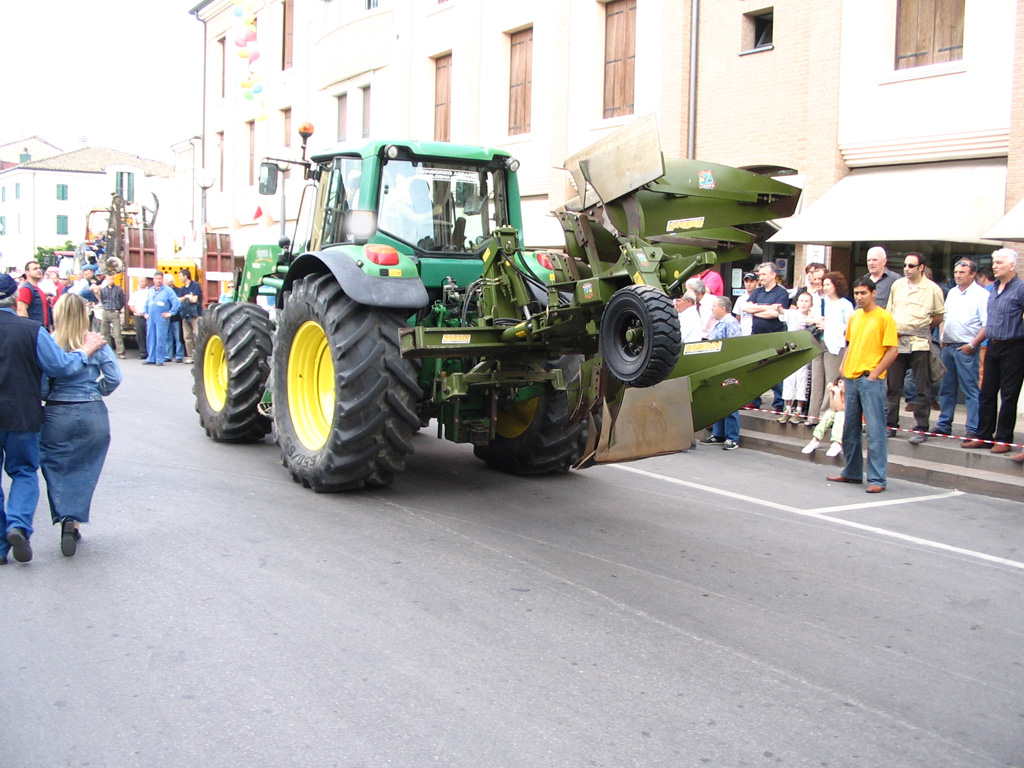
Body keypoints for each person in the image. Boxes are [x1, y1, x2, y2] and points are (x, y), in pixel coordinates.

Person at [0, 274, 106, 564]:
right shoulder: (31, 330)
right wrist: (84, 352)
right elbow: (58, 366)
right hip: (23, 414)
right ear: (15, 300)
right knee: (23, 471)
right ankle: (18, 526)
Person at [39, 294, 122, 556]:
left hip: (57, 413)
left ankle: (65, 516)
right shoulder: (95, 342)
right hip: (92, 411)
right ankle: (74, 520)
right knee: (87, 466)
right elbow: (114, 377)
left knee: (55, 465)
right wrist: (95, 391)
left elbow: (41, 387)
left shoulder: (50, 343)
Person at [827, 276, 898, 494]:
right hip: (851, 376)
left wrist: (875, 374)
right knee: (850, 428)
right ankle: (852, 471)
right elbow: (851, 343)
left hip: (870, 379)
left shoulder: (884, 317)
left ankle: (877, 478)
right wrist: (843, 367)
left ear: (873, 293)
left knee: (875, 430)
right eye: (856, 293)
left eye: (863, 293)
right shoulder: (855, 316)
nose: (859, 297)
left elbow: (892, 350)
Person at [962, 249, 1024, 460]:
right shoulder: (993, 289)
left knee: (1008, 396)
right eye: (994, 262)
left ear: (1012, 266)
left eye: (999, 262)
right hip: (993, 346)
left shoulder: (1021, 289)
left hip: (1014, 346)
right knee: (987, 392)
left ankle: (1003, 439)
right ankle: (983, 435)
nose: (994, 266)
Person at [884, 252, 945, 444]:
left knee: (922, 387)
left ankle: (921, 428)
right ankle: (890, 425)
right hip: (897, 341)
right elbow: (889, 311)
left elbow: (938, 315)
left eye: (911, 266)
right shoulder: (897, 285)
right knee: (893, 386)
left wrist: (922, 329)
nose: (906, 269)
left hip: (919, 342)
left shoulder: (933, 289)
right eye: (905, 265)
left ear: (921, 267)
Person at [935, 259, 988, 440]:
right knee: (946, 388)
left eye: (962, 272)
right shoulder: (952, 293)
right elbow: (945, 317)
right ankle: (944, 424)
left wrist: (972, 345)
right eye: (956, 272)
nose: (957, 275)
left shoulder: (981, 295)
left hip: (966, 348)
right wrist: (942, 337)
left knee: (970, 390)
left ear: (972, 274)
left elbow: (986, 325)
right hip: (948, 346)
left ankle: (973, 428)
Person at [743, 261, 791, 410]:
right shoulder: (757, 292)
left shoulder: (781, 293)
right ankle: (754, 400)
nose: (761, 277)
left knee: (775, 370)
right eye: (760, 274)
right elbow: (746, 308)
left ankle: (779, 402)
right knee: (755, 369)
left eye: (763, 274)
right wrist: (767, 307)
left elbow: (775, 314)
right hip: (756, 336)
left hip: (774, 337)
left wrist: (757, 309)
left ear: (773, 275)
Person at [699, 296, 743, 450]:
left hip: (727, 366)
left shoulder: (730, 323)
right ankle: (718, 434)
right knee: (718, 400)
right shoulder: (720, 323)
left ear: (723, 308)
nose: (712, 309)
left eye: (714, 306)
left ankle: (732, 438)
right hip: (717, 366)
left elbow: (735, 345)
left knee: (729, 401)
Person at [813, 272, 854, 418]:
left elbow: (849, 328)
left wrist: (828, 325)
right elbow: (809, 317)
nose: (825, 288)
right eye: (823, 285)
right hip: (818, 342)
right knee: (817, 380)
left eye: (828, 284)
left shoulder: (846, 304)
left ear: (837, 285)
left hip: (835, 345)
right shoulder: (821, 302)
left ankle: (826, 414)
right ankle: (813, 415)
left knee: (831, 380)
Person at [778, 291, 814, 423]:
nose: (803, 303)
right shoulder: (792, 314)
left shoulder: (811, 317)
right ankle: (787, 409)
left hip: (804, 352)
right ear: (797, 302)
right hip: (790, 351)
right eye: (801, 300)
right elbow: (782, 312)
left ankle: (798, 410)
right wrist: (778, 307)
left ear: (811, 304)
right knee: (789, 380)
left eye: (807, 301)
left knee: (802, 381)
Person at [143, 271, 181, 366]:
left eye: (160, 279)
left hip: (161, 318)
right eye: (156, 279)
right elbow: (147, 302)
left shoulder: (168, 290)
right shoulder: (151, 290)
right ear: (153, 280)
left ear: (162, 279)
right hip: (151, 318)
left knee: (161, 338)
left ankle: (159, 359)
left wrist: (171, 313)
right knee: (150, 337)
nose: (158, 281)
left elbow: (176, 302)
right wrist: (145, 312)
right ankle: (151, 358)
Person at [802, 377, 845, 458]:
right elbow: (833, 408)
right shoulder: (838, 393)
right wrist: (832, 394)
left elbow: (841, 409)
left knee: (840, 414)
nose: (842, 385)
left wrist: (838, 393)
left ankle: (836, 443)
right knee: (829, 413)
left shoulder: (850, 395)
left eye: (844, 382)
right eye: (840, 382)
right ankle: (815, 439)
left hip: (853, 420)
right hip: (840, 417)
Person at [177, 268, 203, 364]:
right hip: (185, 315)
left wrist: (187, 298)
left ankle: (200, 356)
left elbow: (194, 300)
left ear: (185, 276)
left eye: (180, 276)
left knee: (197, 335)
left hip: (195, 315)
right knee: (187, 337)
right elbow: (178, 300)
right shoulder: (182, 289)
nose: (179, 278)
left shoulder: (195, 285)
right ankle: (190, 356)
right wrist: (186, 297)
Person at [15, 260, 51, 329]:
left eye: (39, 268)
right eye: (35, 269)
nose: (39, 270)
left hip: (42, 329)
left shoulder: (38, 290)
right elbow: (21, 311)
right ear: (27, 273)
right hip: (34, 330)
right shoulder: (25, 289)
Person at [99, 275, 127, 359]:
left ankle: (121, 352)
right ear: (106, 280)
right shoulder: (103, 290)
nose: (110, 280)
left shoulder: (118, 289)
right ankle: (107, 351)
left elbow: (122, 300)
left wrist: (118, 308)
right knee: (104, 333)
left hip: (115, 312)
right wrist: (105, 307)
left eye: (111, 279)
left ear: (114, 279)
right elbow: (102, 299)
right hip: (106, 312)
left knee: (117, 333)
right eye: (108, 279)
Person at [128, 277, 151, 359]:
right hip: (138, 316)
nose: (142, 282)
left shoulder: (150, 292)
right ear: (138, 282)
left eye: (143, 281)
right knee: (140, 335)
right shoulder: (135, 293)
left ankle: (150, 352)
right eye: (140, 281)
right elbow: (131, 305)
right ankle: (143, 352)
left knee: (149, 334)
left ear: (146, 282)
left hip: (148, 316)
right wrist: (136, 312)